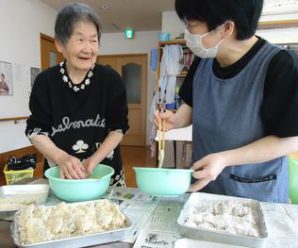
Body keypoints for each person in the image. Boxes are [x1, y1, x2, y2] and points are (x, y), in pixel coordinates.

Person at [155, 0, 298, 203]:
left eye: (191, 25)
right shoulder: (204, 59)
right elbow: (192, 106)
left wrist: (225, 159)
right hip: (205, 187)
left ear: (226, 28)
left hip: (254, 194)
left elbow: (290, 139)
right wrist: (175, 120)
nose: (187, 32)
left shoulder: (279, 65)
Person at [26, 3, 129, 186]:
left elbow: (118, 128)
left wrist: (94, 160)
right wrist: (62, 158)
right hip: (60, 176)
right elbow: (36, 131)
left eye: (93, 40)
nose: (88, 48)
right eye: (80, 40)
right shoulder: (45, 82)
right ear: (59, 43)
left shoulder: (110, 80)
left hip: (104, 177)